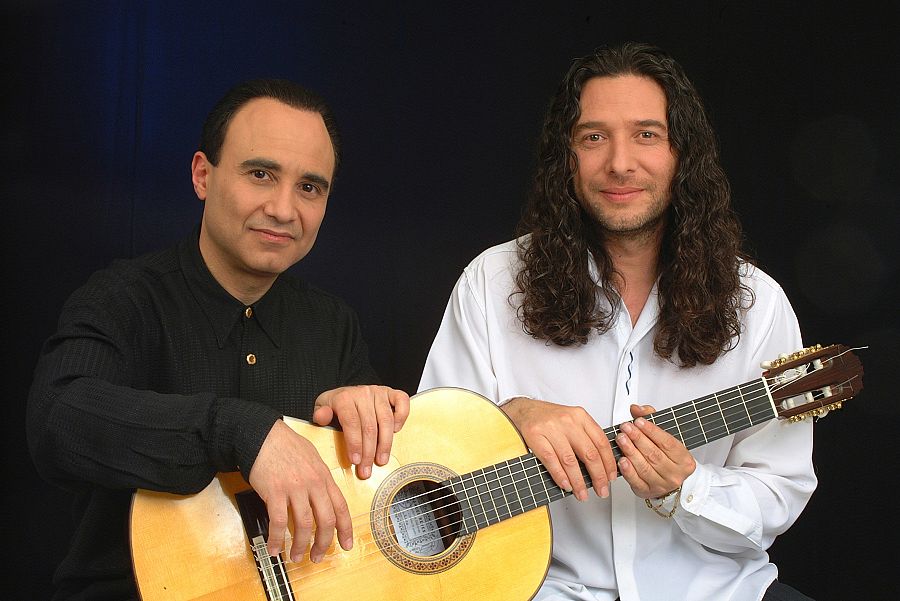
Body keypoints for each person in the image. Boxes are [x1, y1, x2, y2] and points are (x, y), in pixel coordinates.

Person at [419, 42, 816, 601]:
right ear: (567, 156)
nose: (620, 163)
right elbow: (426, 471)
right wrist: (509, 417)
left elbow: (780, 487)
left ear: (683, 154)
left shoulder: (758, 302)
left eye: (647, 134)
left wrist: (688, 489)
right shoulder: (492, 282)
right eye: (594, 137)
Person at [27, 79, 410, 600]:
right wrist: (239, 432)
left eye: (309, 187)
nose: (283, 209)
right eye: (260, 174)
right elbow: (56, 421)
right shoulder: (123, 298)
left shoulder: (334, 324)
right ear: (202, 176)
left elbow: (365, 513)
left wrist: (368, 425)